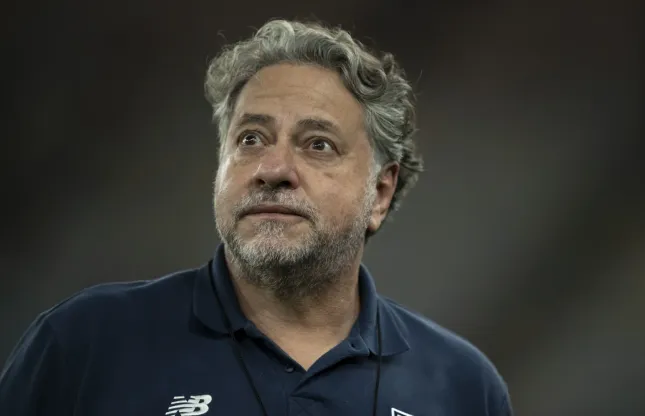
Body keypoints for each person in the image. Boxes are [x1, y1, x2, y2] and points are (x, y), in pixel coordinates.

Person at [0, 19, 512, 416]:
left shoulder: (463, 385)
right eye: (250, 139)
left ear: (379, 193)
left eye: (317, 144)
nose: (273, 168)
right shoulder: (85, 344)